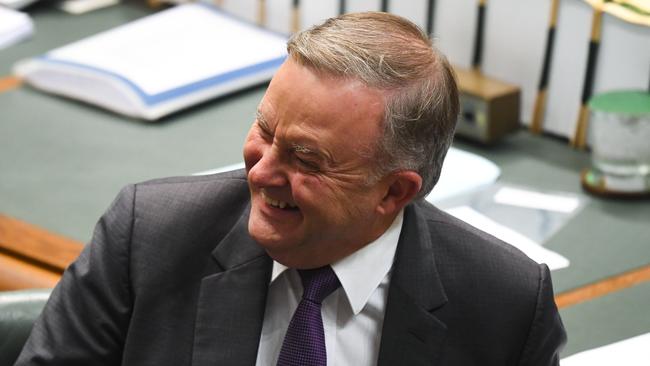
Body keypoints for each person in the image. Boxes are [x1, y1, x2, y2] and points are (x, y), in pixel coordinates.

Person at [15, 11, 566, 366]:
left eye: (305, 158)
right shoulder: (148, 236)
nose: (260, 172)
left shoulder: (505, 304)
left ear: (394, 192)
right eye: (265, 131)